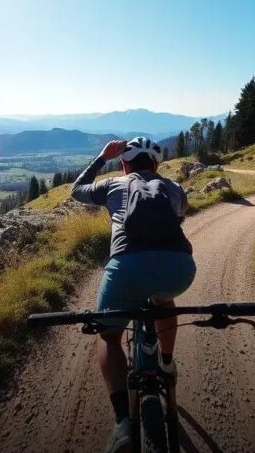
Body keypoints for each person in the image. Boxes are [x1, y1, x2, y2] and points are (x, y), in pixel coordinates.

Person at [71, 137, 196, 452]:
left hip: (127, 269)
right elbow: (180, 215)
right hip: (179, 269)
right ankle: (166, 365)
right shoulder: (174, 188)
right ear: (155, 165)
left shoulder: (113, 184)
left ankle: (122, 425)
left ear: (124, 164)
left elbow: (76, 190)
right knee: (164, 300)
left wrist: (101, 158)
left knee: (110, 337)